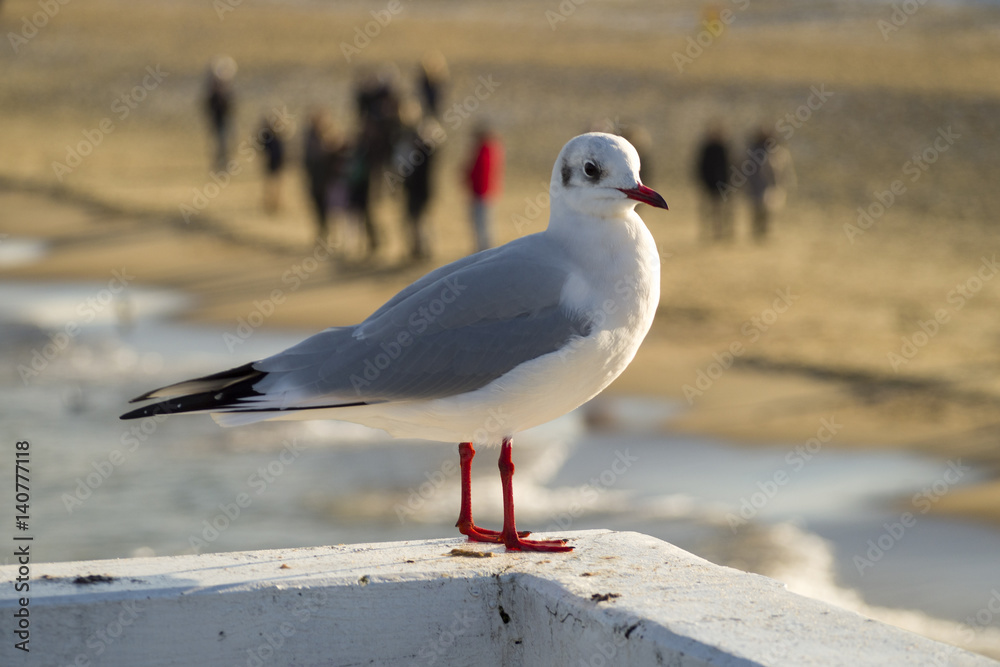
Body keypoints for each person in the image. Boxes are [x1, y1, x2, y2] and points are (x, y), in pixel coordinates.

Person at [397, 100, 440, 261]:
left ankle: (425, 249)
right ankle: (415, 249)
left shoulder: (425, 136)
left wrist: (425, 141)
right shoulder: (404, 135)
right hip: (410, 185)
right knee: (411, 218)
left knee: (422, 219)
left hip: (423, 186)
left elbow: (433, 154)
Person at [303, 110, 350, 245]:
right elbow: (310, 161)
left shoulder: (330, 140)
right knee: (320, 210)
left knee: (334, 211)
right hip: (318, 182)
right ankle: (324, 234)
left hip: (329, 183)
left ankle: (331, 236)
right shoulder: (312, 141)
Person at [745, 127, 796, 242]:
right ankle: (756, 232)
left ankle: (765, 232)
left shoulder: (777, 152)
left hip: (771, 188)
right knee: (756, 210)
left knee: (768, 211)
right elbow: (747, 170)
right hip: (755, 187)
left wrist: (784, 184)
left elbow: (784, 170)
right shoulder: (753, 151)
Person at [465, 125, 504, 253]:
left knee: (483, 223)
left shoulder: (485, 150)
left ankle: (485, 250)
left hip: (482, 192)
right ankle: (483, 249)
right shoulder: (490, 149)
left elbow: (480, 172)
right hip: (484, 192)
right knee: (482, 223)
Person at [694, 121, 733, 242]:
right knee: (708, 211)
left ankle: (724, 232)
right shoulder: (707, 149)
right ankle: (708, 232)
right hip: (709, 185)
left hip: (724, 185)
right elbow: (701, 167)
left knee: (724, 211)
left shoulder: (725, 148)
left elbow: (730, 167)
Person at [203, 56, 236, 171]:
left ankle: (224, 163)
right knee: (219, 143)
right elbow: (208, 107)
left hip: (225, 121)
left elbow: (231, 106)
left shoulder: (226, 94)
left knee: (225, 143)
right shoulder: (213, 95)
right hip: (217, 121)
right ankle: (220, 164)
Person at [259, 113, 286, 215]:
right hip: (272, 162)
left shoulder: (275, 135)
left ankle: (275, 203)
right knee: (272, 184)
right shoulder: (268, 136)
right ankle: (271, 204)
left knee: (275, 185)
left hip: (276, 162)